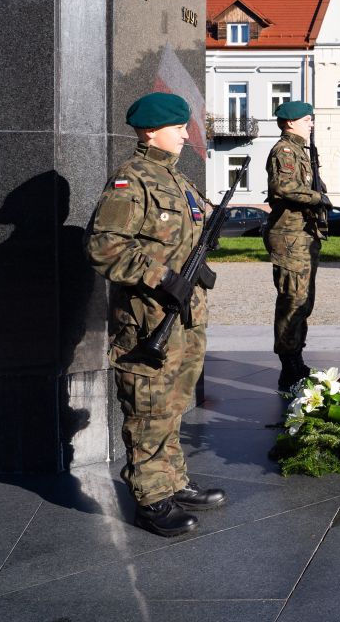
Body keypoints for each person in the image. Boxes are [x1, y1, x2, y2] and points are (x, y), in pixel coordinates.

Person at [85, 93, 226, 537]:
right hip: (148, 319)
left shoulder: (177, 180)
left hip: (185, 316)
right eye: (179, 125)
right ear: (151, 131)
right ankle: (149, 498)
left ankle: (173, 481)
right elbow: (103, 248)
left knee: (174, 405)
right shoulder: (131, 181)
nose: (187, 133)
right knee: (147, 407)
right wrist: (162, 277)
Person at [265, 101, 329, 392]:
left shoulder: (302, 151)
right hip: (289, 238)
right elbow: (284, 187)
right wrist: (317, 198)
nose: (311, 123)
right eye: (307, 119)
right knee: (292, 300)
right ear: (290, 123)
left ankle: (297, 360)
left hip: (303, 236)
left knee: (304, 302)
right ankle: (288, 367)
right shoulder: (285, 151)